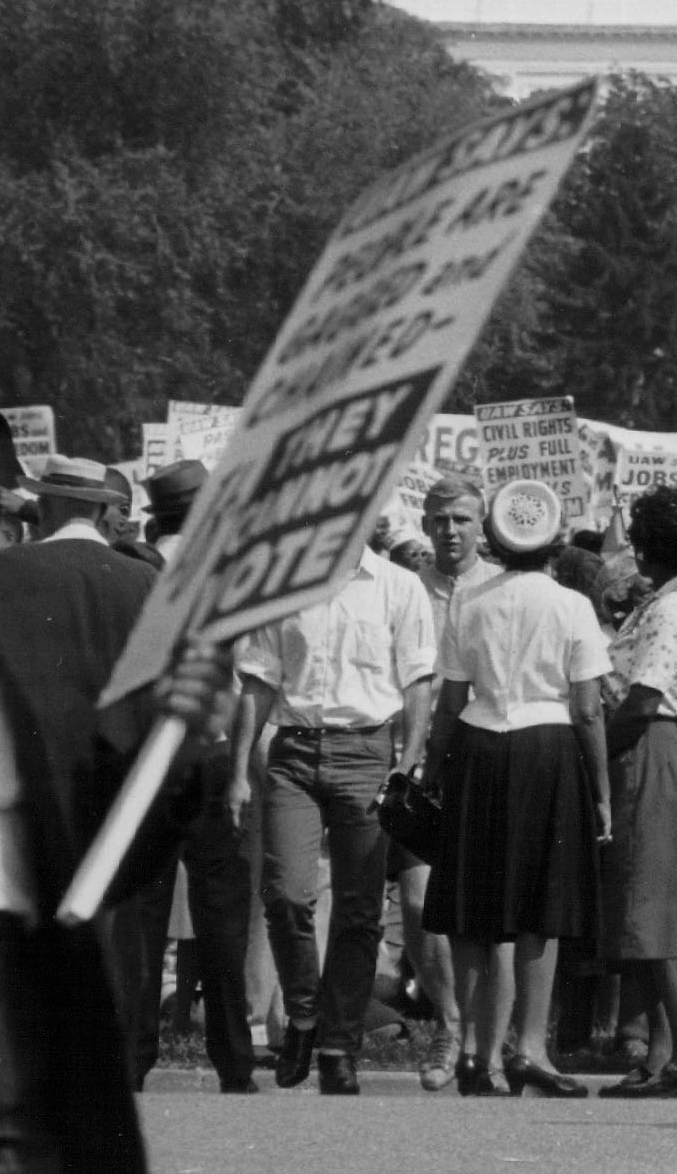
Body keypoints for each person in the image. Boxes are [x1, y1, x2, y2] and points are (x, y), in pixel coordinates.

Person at [0, 453, 233, 1173]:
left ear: (38, 510)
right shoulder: (150, 586)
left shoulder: (7, 576)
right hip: (109, 800)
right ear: (109, 513)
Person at [421, 480, 611, 1099]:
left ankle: (479, 1053)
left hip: (478, 747)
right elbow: (588, 710)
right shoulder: (572, 606)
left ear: (495, 538)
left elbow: (449, 703)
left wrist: (432, 770)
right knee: (540, 910)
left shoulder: (468, 603)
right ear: (553, 541)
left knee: (474, 911)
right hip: (547, 749)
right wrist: (601, 789)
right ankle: (529, 1045)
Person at [233, 521, 437, 1095]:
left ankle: (337, 1046)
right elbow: (257, 681)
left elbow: (418, 681)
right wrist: (238, 773)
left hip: (367, 751)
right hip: (293, 750)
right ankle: (303, 1015)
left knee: (359, 910)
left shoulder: (399, 586)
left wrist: (407, 763)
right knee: (288, 892)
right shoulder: (284, 584)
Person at [100, 460, 258, 1096]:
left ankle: (135, 1055)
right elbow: (248, 675)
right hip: (210, 752)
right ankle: (235, 1061)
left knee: (143, 912)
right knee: (222, 912)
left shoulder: (130, 571)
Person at [599, 487, 677, 1099]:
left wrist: (599, 747)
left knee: (653, 908)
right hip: (672, 749)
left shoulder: (671, 609)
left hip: (652, 745)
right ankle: (667, 1054)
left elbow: (644, 695)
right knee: (660, 904)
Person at [407, 476, 512, 1091]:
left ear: (482, 526)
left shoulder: (501, 588)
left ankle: (486, 1040)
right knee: (422, 902)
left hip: (483, 759)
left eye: (463, 520)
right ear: (425, 523)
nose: (451, 530)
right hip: (415, 763)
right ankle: (450, 1025)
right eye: (441, 519)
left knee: (483, 912)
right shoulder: (407, 587)